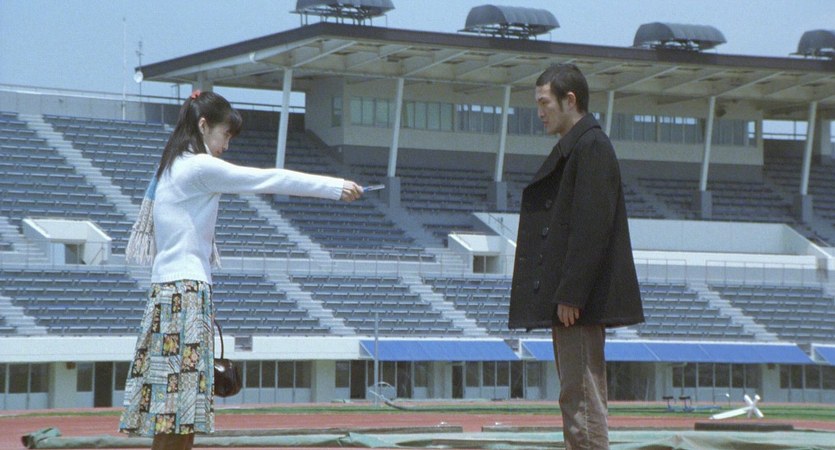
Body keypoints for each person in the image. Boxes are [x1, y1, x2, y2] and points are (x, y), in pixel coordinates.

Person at [118, 90, 363, 450]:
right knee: (181, 412)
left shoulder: (170, 166)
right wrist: (335, 187)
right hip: (186, 294)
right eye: (225, 135)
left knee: (172, 412)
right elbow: (268, 179)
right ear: (203, 126)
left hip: (167, 293)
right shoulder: (198, 167)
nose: (226, 145)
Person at [508, 64, 644, 449]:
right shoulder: (579, 147)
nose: (539, 112)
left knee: (582, 399)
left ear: (570, 101)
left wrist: (571, 292)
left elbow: (592, 227)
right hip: (573, 302)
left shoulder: (592, 146)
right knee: (576, 397)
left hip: (578, 304)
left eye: (544, 103)